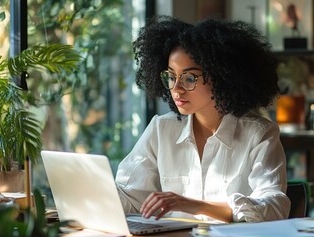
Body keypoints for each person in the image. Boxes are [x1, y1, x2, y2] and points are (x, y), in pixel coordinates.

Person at [115, 15, 290, 223]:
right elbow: (130, 197)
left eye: (189, 78)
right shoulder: (161, 129)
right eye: (171, 76)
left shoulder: (259, 134)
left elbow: (275, 207)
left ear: (221, 77)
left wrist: (194, 205)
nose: (176, 89)